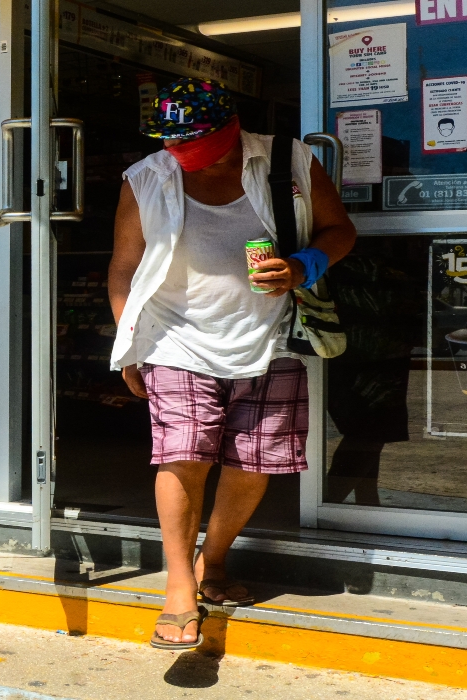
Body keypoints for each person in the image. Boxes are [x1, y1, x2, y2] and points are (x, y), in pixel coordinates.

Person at [107, 78, 356, 650]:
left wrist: (302, 266)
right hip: (175, 338)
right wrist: (130, 343)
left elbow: (340, 230)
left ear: (233, 127)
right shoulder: (146, 179)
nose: (187, 159)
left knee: (255, 460)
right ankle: (177, 590)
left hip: (272, 336)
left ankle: (211, 563)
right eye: (177, 147)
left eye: (200, 146)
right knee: (182, 452)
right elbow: (124, 268)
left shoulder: (288, 161)